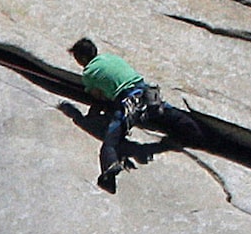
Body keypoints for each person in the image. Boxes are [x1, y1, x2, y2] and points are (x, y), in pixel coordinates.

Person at [69, 38, 200, 193]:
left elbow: (97, 96)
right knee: (170, 114)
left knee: (110, 143)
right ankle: (198, 135)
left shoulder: (88, 73)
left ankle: (108, 176)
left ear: (82, 58)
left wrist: (91, 117)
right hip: (146, 93)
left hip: (127, 102)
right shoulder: (111, 57)